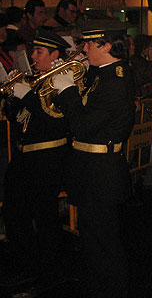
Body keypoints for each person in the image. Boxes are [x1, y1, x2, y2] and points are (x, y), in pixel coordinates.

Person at [51, 22, 136, 298]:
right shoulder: (100, 74)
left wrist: (67, 91)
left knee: (104, 241)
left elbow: (83, 126)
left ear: (106, 46)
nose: (83, 48)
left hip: (102, 171)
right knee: (90, 238)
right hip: (88, 167)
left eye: (88, 44)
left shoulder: (117, 79)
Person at [1, 28, 72, 289]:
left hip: (48, 156)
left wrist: (28, 96)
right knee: (14, 210)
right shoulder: (35, 78)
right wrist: (11, 95)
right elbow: (18, 118)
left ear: (54, 53)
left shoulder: (61, 79)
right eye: (33, 51)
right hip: (25, 155)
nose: (33, 56)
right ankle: (26, 264)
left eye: (39, 52)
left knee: (45, 216)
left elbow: (58, 120)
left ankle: (49, 271)